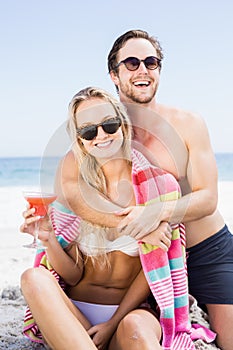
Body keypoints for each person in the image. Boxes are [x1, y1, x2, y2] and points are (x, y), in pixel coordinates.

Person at [56, 30, 233, 350]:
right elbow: (71, 189)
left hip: (207, 251)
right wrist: (129, 224)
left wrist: (154, 214)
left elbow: (207, 198)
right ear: (114, 74)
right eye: (132, 62)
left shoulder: (189, 123)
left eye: (152, 62)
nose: (143, 70)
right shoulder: (105, 129)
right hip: (148, 259)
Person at [21, 87, 209, 350]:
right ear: (80, 140)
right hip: (75, 314)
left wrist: (113, 324)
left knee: (137, 330)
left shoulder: (160, 186)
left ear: (123, 124)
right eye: (88, 131)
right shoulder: (79, 190)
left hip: (129, 314)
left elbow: (154, 270)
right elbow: (73, 276)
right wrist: (49, 239)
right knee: (33, 277)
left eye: (109, 125)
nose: (100, 136)